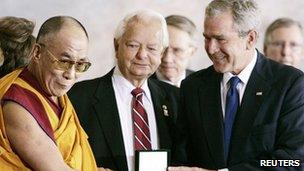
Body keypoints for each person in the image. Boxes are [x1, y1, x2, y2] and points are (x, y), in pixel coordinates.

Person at [170, 0, 304, 170]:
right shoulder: (193, 86)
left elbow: (292, 160)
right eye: (207, 38)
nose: (211, 49)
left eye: (220, 39)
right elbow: (181, 157)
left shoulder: (289, 84)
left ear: (250, 38)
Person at [68, 10, 180, 171]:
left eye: (152, 48)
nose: (142, 55)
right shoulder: (78, 97)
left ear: (161, 53)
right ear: (116, 45)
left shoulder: (175, 99)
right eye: (133, 45)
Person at [0, 16, 97, 170]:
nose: (70, 75)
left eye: (80, 65)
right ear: (37, 52)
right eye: (64, 62)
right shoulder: (16, 102)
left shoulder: (54, 92)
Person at [152, 15, 197, 87]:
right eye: (162, 49)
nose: (167, 59)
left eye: (177, 50)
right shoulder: (140, 84)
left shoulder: (203, 83)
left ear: (192, 52)